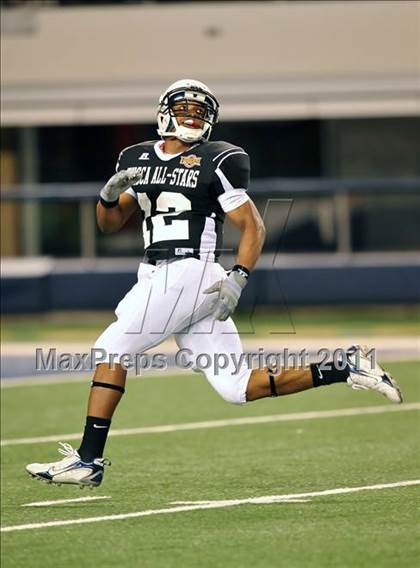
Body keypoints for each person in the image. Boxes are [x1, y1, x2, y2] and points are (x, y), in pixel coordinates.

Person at [26, 79, 402, 487]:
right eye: (185, 109)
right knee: (235, 387)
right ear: (164, 112)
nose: (192, 117)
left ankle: (88, 460)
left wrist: (239, 277)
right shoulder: (135, 158)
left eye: (200, 112)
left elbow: (252, 225)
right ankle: (344, 366)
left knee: (111, 348)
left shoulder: (218, 159)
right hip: (163, 274)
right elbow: (110, 224)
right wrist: (107, 197)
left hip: (189, 269)